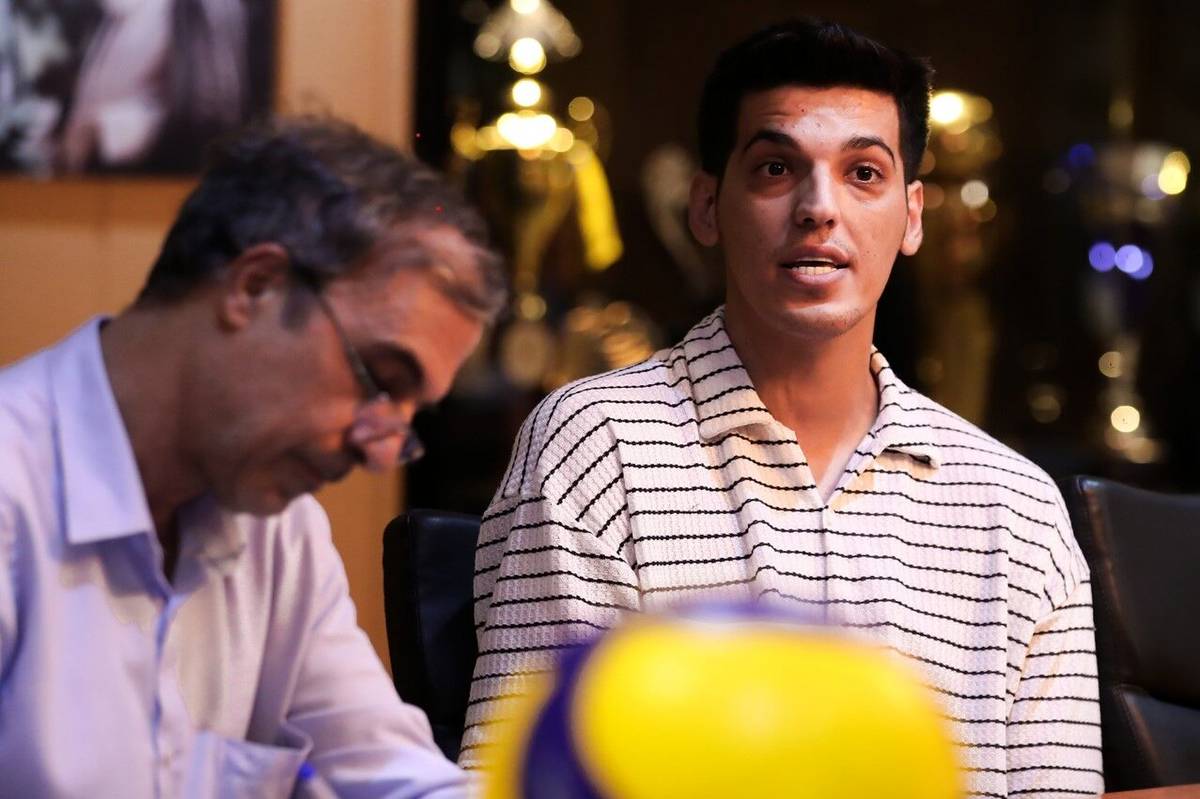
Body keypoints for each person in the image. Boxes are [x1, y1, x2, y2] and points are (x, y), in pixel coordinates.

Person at [465, 19, 1103, 797]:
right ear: (707, 206)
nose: (818, 207)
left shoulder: (1019, 511)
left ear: (913, 215)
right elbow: (528, 778)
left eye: (863, 173)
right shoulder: (598, 445)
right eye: (776, 167)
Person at [0, 116, 506, 797]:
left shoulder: (278, 529)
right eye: (381, 380)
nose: (383, 450)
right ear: (256, 286)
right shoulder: (15, 491)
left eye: (409, 418)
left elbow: (392, 775)